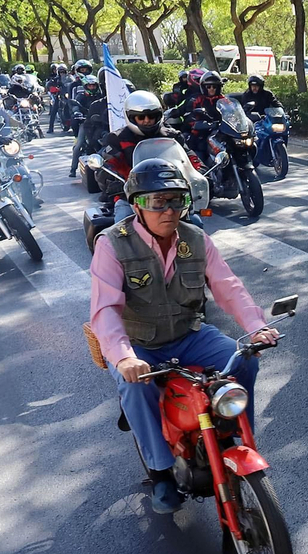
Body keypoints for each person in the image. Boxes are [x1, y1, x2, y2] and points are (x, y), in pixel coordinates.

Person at [89, 157, 278, 514]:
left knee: (245, 362)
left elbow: (228, 286)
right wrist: (125, 357)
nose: (169, 210)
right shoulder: (113, 244)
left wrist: (256, 327)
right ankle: (161, 474)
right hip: (139, 345)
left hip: (189, 334)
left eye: (177, 199)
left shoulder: (196, 238)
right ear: (137, 205)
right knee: (135, 387)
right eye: (157, 201)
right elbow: (105, 310)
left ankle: (238, 439)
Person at [95, 91, 181, 222]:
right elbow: (108, 165)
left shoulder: (172, 136)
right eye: (141, 117)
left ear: (158, 115)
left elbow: (191, 160)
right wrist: (114, 182)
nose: (147, 121)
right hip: (132, 196)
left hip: (171, 194)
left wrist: (202, 175)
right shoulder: (117, 139)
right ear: (131, 117)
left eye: (151, 116)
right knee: (123, 225)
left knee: (195, 223)